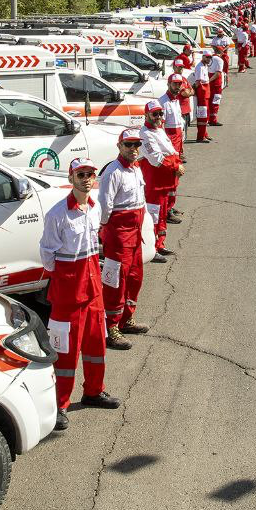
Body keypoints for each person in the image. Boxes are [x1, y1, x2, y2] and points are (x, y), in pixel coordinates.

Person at [39, 157, 120, 429]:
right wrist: (66, 279)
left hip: (93, 290)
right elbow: (47, 255)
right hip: (68, 295)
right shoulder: (57, 214)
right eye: (81, 174)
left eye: (90, 174)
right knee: (65, 353)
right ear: (71, 177)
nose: (86, 178)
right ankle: (59, 405)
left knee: (96, 345)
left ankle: (94, 392)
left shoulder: (95, 208)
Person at [99, 128, 150, 349]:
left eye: (136, 145)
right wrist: (106, 234)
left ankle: (127, 319)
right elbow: (104, 208)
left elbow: (141, 202)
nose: (133, 149)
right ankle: (111, 328)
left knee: (135, 277)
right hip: (119, 236)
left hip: (135, 234)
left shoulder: (137, 169)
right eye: (128, 145)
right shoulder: (113, 172)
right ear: (119, 146)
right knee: (115, 281)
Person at [140, 99, 185, 258]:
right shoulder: (145, 134)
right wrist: (176, 166)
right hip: (154, 184)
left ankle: (160, 245)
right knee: (153, 217)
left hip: (164, 182)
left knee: (162, 217)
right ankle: (152, 249)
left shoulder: (159, 129)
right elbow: (156, 159)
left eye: (160, 113)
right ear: (146, 115)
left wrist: (176, 163)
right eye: (155, 114)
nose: (158, 116)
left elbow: (170, 151)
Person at [190, 50, 213, 143]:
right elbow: (198, 82)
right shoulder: (199, 66)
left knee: (205, 114)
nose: (208, 59)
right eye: (207, 57)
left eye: (210, 57)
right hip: (202, 92)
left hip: (205, 92)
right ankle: (200, 137)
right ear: (203, 57)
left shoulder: (204, 66)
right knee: (202, 115)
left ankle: (204, 134)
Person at [208, 44, 226, 125]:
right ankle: (213, 120)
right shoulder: (219, 60)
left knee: (210, 100)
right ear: (221, 51)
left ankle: (209, 118)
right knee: (215, 101)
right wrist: (209, 80)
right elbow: (218, 73)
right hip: (216, 84)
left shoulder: (210, 58)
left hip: (211, 82)